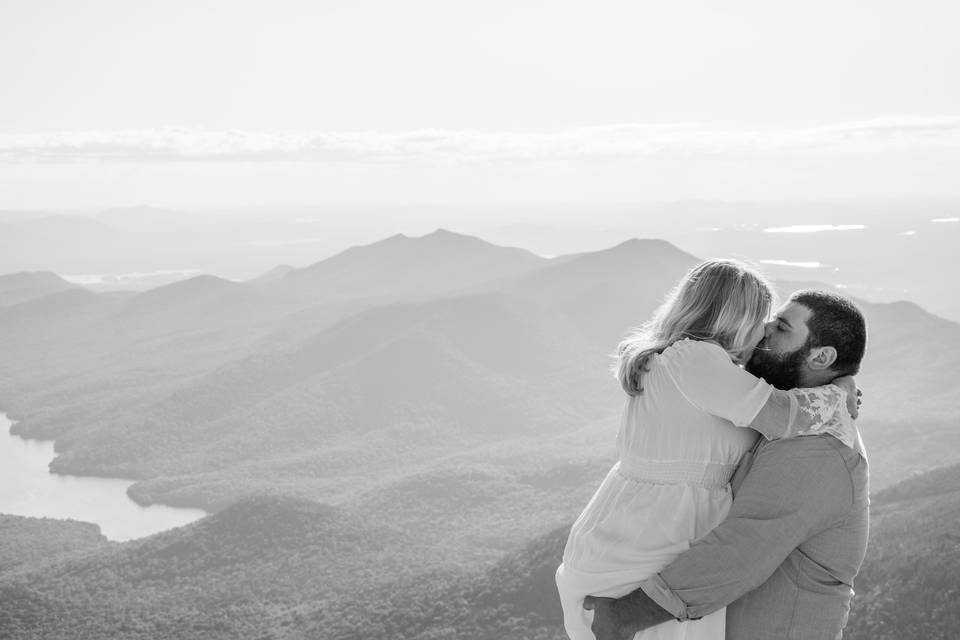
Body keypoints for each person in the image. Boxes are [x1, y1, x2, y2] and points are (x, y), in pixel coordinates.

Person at [555, 261, 860, 640]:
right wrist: (837, 390)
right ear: (731, 317)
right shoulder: (695, 359)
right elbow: (780, 415)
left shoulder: (705, 367)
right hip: (660, 532)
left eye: (775, 324)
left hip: (666, 527)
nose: (764, 330)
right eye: (761, 318)